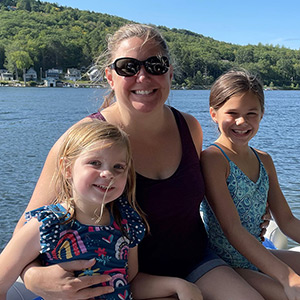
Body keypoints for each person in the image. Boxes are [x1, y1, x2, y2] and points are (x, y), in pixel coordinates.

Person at [11, 24, 270, 300]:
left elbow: (205, 190)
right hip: (123, 277)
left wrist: (255, 211)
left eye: (155, 65)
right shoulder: (83, 141)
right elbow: (26, 229)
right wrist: (34, 276)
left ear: (170, 73)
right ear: (110, 76)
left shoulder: (189, 127)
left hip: (195, 261)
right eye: (128, 67)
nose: (143, 77)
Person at [2, 119, 203, 300]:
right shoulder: (47, 224)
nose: (107, 173)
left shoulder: (126, 223)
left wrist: (178, 285)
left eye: (118, 167)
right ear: (67, 169)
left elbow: (128, 282)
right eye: (95, 163)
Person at [201, 69, 300, 300]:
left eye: (251, 113)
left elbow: (286, 220)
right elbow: (232, 229)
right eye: (232, 113)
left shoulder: (264, 160)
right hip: (226, 263)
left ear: (262, 114)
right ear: (214, 114)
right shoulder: (213, 159)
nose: (242, 122)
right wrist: (288, 277)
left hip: (257, 254)